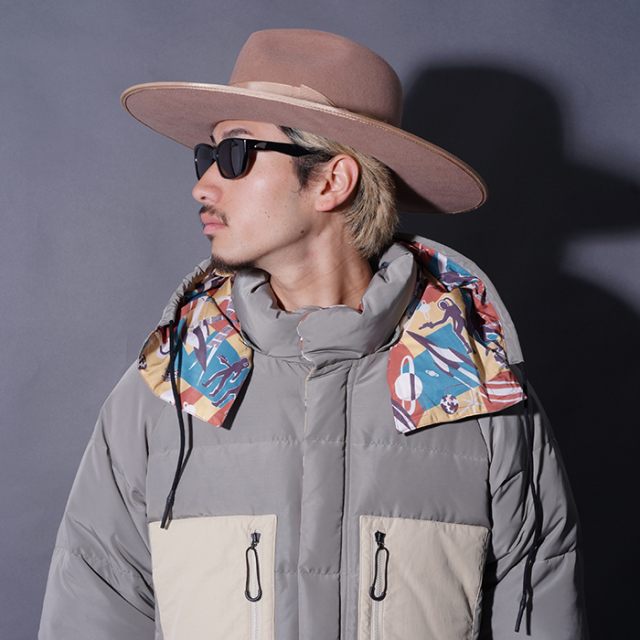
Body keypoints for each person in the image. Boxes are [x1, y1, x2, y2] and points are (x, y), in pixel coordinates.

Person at [39, 29, 588, 639]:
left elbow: (540, 609)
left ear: (332, 181)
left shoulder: (480, 394)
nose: (203, 185)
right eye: (206, 156)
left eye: (236, 154)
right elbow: (94, 606)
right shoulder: (166, 390)